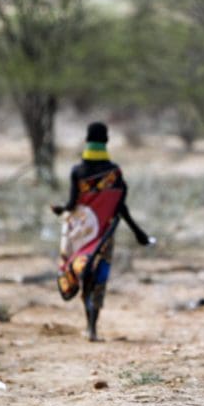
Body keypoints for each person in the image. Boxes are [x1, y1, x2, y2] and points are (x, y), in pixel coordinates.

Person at [51, 122, 152, 341]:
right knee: (99, 278)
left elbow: (71, 204)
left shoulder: (77, 172)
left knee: (83, 274)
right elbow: (120, 206)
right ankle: (92, 328)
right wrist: (138, 232)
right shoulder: (114, 174)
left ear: (86, 141)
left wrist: (60, 210)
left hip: (79, 235)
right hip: (104, 235)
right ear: (106, 141)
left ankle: (88, 322)